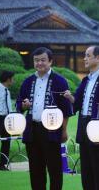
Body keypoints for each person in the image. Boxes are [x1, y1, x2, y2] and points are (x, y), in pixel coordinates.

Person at [16, 47, 73, 190]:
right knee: (35, 169)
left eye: (43, 60)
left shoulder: (59, 81)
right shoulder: (28, 81)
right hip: (32, 129)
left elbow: (66, 109)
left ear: (50, 61)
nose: (39, 63)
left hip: (52, 130)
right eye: (36, 60)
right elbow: (19, 104)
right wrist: (23, 105)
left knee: (54, 168)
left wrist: (64, 130)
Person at [64, 46, 99, 190]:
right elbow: (78, 102)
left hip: (98, 126)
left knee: (98, 165)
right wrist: (69, 97)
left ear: (98, 58)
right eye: (84, 55)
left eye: (87, 55)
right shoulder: (86, 80)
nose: (84, 58)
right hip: (84, 123)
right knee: (85, 166)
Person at [0, 71, 15, 171]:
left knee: (6, 142)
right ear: (8, 79)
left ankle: (2, 165)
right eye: (12, 79)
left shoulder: (7, 91)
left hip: (7, 119)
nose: (13, 81)